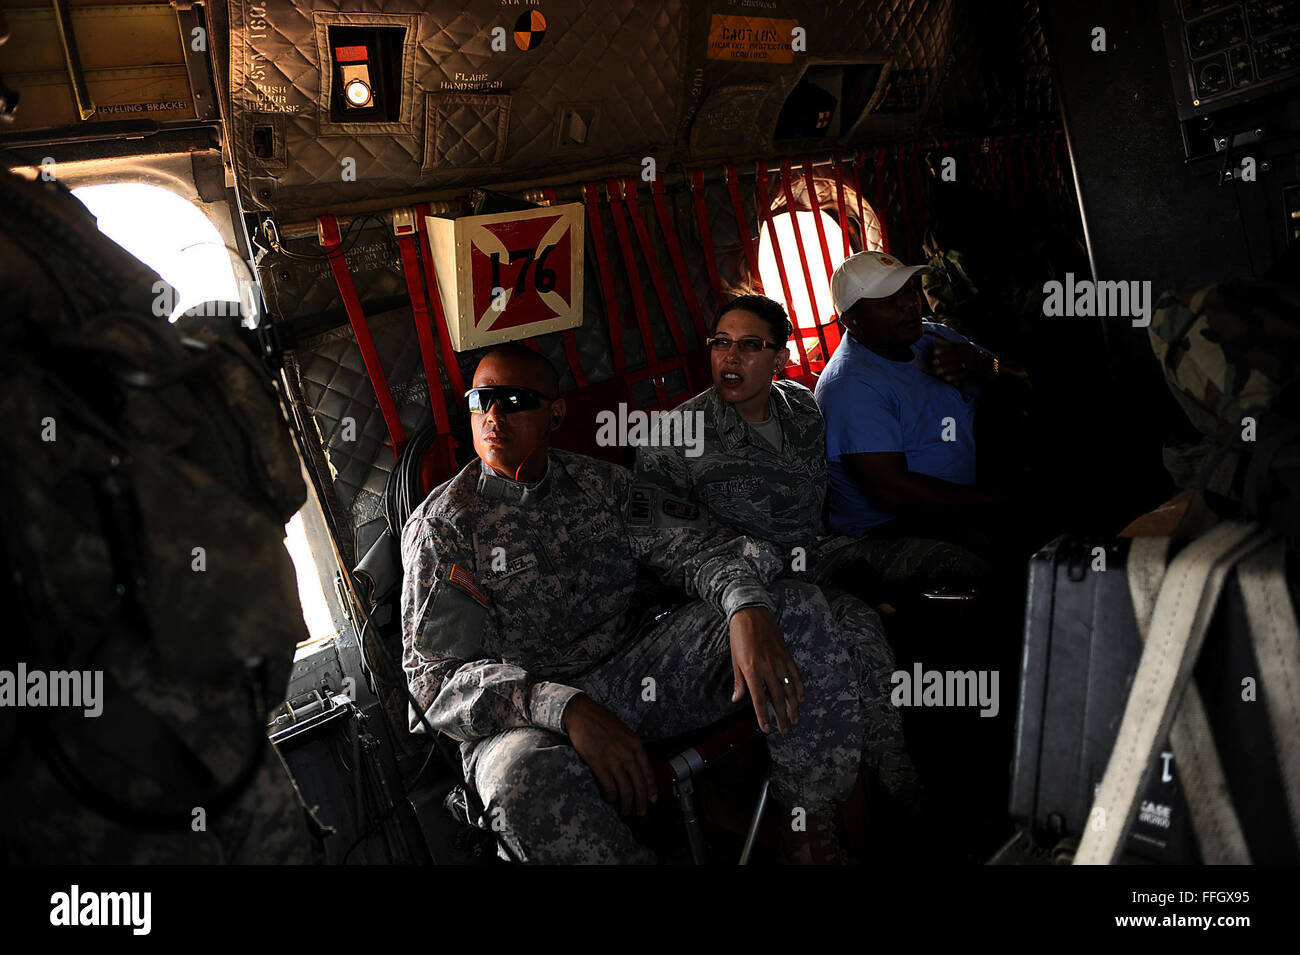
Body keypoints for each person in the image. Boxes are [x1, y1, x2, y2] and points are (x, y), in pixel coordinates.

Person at [400, 342, 868, 863]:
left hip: (628, 678)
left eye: (514, 401)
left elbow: (697, 546)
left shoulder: (603, 485)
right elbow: (433, 681)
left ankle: (808, 827)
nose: (492, 416)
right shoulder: (445, 526)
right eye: (480, 400)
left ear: (556, 413)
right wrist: (563, 706)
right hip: (521, 719)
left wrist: (744, 605)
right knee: (521, 786)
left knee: (792, 608)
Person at [632, 294, 916, 798]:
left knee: (933, 565)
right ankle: (823, 805)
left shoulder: (803, 409)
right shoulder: (673, 436)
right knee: (850, 622)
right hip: (736, 595)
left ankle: (888, 774)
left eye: (749, 346)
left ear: (779, 359)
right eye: (721, 343)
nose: (730, 358)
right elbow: (661, 549)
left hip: (817, 559)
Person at [815, 250, 1016, 562]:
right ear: (851, 321)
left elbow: (1015, 382)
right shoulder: (849, 385)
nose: (908, 303)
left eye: (908, 289)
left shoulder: (934, 337)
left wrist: (986, 367)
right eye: (886, 301)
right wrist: (993, 502)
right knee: (995, 552)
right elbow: (894, 492)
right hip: (891, 528)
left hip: (957, 502)